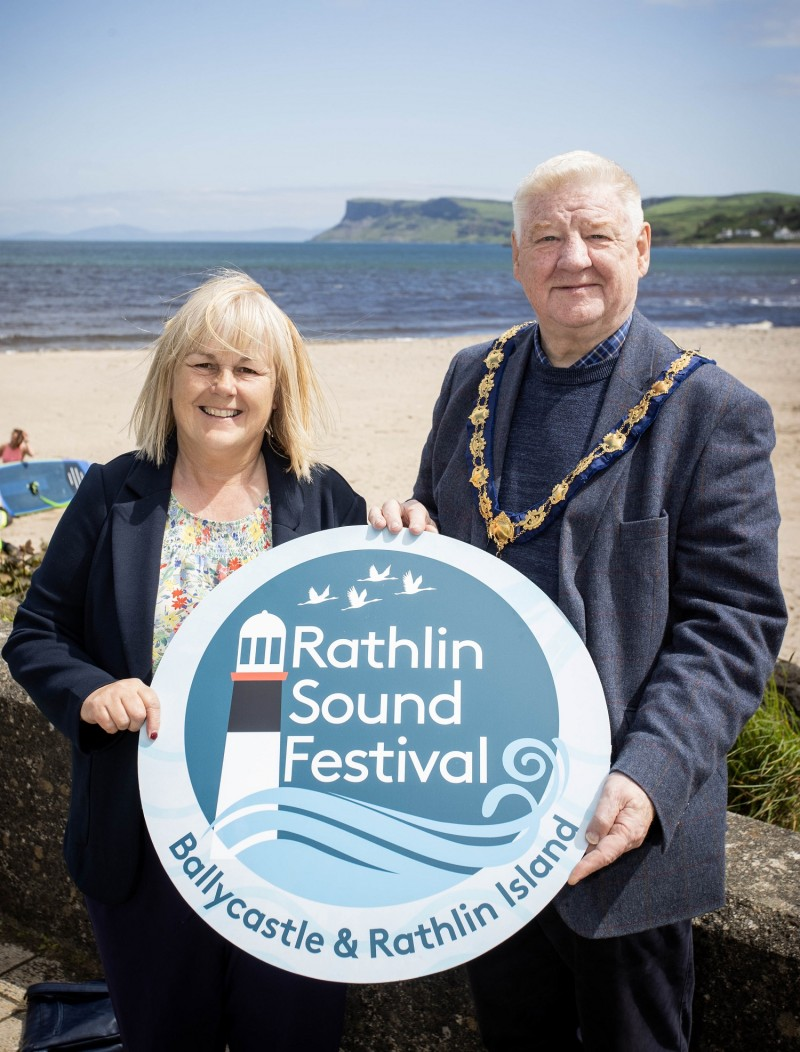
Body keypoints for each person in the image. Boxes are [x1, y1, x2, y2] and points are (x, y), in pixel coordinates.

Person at [369, 151, 786, 1051]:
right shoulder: (468, 375)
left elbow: (735, 624)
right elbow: (441, 527)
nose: (574, 258)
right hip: (480, 811)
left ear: (641, 248)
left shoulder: (712, 411)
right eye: (548, 237)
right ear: (516, 260)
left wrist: (647, 778)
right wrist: (411, 525)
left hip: (618, 833)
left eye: (598, 235)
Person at [3, 270, 366, 1052]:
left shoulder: (326, 501)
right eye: (204, 363)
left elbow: (386, 647)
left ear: (278, 388)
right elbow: (34, 634)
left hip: (294, 848)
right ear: (171, 376)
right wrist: (93, 693)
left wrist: (410, 534)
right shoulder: (112, 494)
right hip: (143, 844)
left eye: (247, 368)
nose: (223, 387)